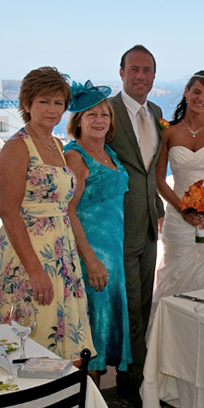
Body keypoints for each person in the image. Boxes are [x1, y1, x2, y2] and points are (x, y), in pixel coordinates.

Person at [0, 67, 94, 359]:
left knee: (61, 344)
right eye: (44, 101)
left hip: (61, 254)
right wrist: (35, 271)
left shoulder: (57, 145)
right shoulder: (16, 147)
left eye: (58, 103)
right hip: (28, 257)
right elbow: (9, 213)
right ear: (27, 104)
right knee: (28, 342)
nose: (52, 109)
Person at [64, 81, 132, 388]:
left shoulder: (110, 154)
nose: (99, 119)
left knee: (101, 334)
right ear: (77, 120)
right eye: (91, 114)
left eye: (104, 114)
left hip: (113, 259)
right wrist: (90, 261)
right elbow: (68, 212)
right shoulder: (75, 157)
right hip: (91, 261)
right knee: (90, 336)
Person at [107, 45, 164, 404]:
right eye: (134, 69)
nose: (140, 76)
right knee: (127, 304)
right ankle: (132, 386)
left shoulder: (156, 112)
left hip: (149, 223)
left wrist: (157, 209)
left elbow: (151, 169)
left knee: (145, 299)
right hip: (117, 224)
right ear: (121, 71)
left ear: (154, 76)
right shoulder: (106, 111)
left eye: (147, 70)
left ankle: (141, 376)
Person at [153, 71, 204, 301]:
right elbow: (159, 178)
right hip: (179, 216)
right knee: (176, 277)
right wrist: (182, 209)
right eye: (197, 91)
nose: (201, 98)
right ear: (186, 92)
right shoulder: (168, 132)